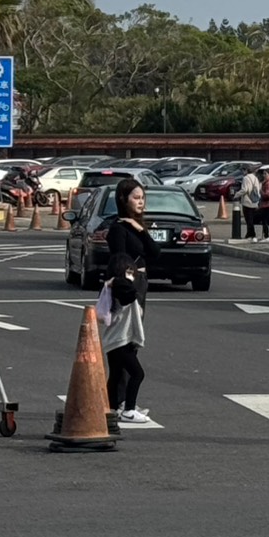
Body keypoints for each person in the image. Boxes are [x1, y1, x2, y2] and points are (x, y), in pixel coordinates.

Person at [100, 253, 149, 424]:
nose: (132, 274)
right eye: (129, 270)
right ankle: (129, 409)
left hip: (114, 339)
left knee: (115, 374)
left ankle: (111, 407)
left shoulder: (112, 286)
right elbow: (130, 295)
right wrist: (123, 279)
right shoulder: (119, 287)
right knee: (137, 374)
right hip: (121, 339)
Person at [104, 179, 161, 308]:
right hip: (127, 283)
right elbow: (119, 260)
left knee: (137, 319)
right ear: (123, 199)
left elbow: (155, 252)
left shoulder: (136, 226)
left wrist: (141, 230)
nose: (141, 202)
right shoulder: (118, 228)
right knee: (126, 319)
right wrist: (124, 285)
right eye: (136, 198)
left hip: (140, 280)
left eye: (142, 198)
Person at [237, 164, 261, 241]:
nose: (242, 172)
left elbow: (244, 190)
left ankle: (252, 234)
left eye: (243, 170)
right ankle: (249, 234)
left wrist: (237, 194)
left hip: (247, 201)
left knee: (248, 219)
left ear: (246, 170)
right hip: (255, 201)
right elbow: (258, 189)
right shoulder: (255, 178)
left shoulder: (246, 178)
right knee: (251, 219)